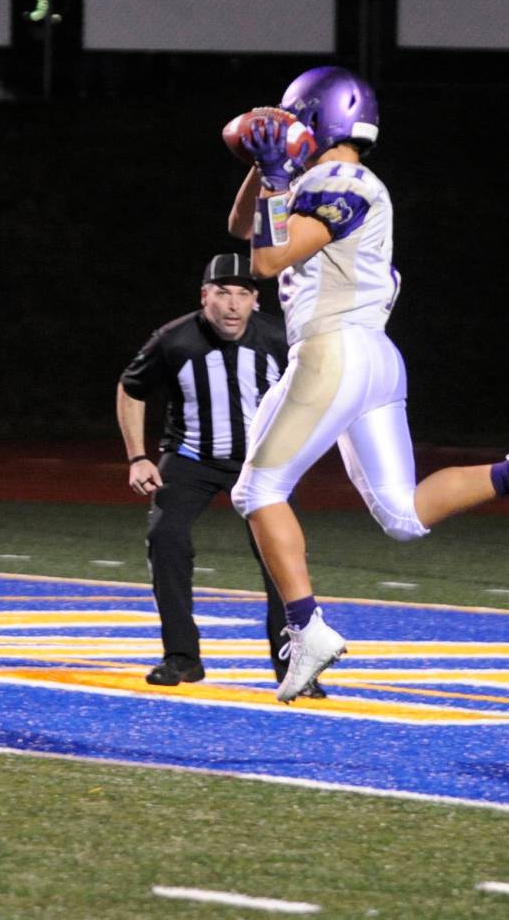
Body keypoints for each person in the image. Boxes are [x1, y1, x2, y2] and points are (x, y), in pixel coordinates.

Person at [226, 66, 509, 703]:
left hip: (333, 349)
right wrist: (265, 168)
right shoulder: (332, 178)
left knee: (257, 490)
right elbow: (244, 228)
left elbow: (264, 260)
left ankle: (306, 627)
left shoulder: (341, 181)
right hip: (370, 355)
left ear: (315, 119)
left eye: (295, 119)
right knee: (402, 515)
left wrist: (278, 172)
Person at [117, 253, 324, 696]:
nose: (232, 305)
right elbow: (131, 388)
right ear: (204, 296)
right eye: (222, 293)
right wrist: (138, 457)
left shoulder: (278, 337)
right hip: (191, 457)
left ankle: (294, 669)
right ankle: (182, 657)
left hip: (262, 463)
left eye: (243, 294)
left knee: (281, 560)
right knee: (166, 536)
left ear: (255, 300)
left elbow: (316, 388)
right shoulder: (174, 340)